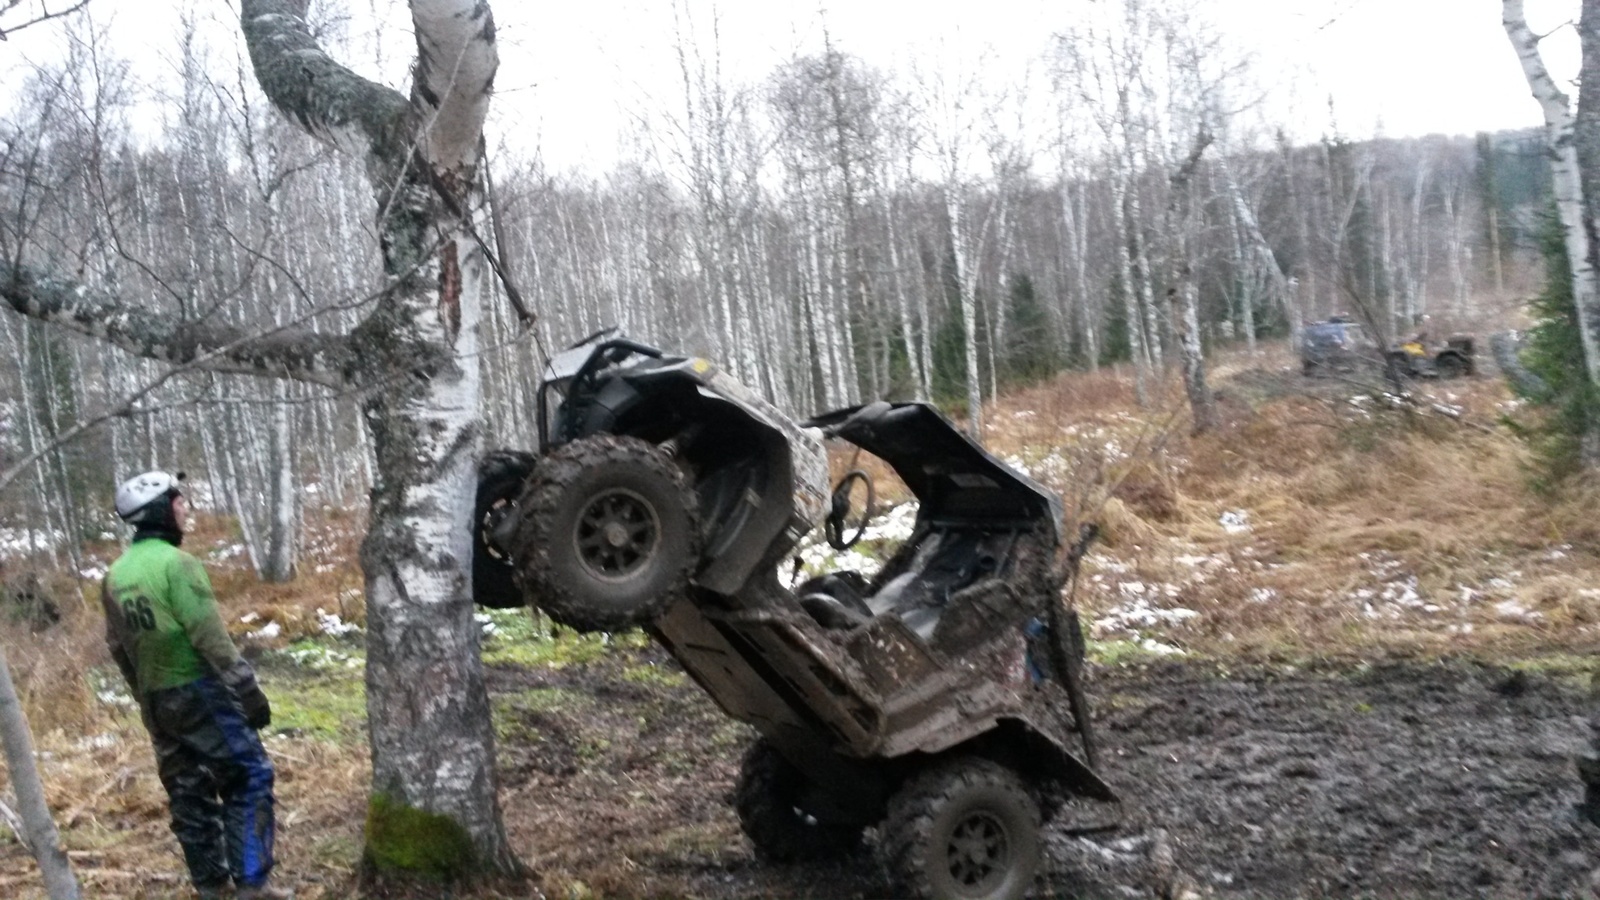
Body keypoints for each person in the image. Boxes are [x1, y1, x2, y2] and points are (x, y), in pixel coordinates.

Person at [101, 471, 290, 900]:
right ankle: (251, 886)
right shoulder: (179, 565)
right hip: (200, 690)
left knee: (188, 790)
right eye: (178, 500)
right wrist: (248, 692)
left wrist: (146, 701)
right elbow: (210, 637)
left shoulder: (114, 574)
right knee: (249, 775)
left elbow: (118, 647)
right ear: (160, 511)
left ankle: (210, 886)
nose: (185, 507)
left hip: (156, 698)